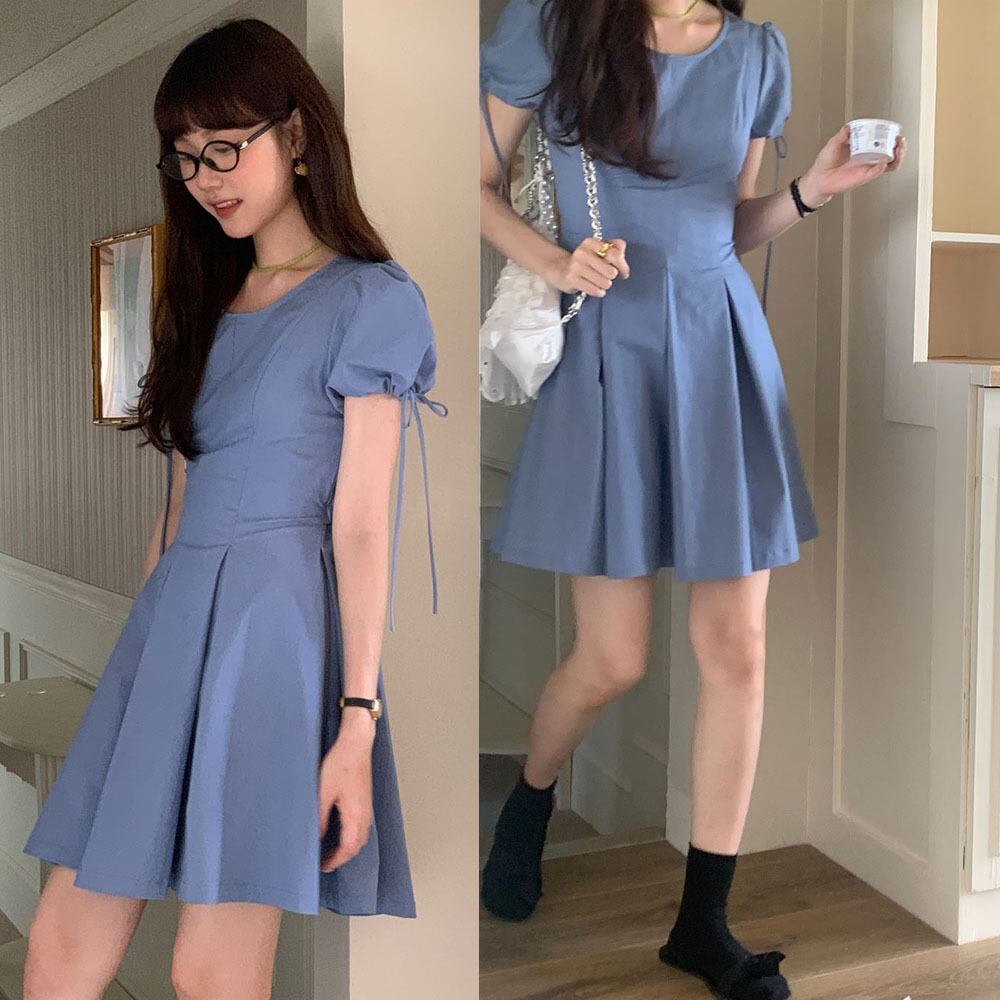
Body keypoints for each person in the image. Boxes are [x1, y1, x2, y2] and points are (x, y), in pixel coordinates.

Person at [478, 1, 905, 998]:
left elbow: (729, 224)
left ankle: (703, 924)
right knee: (612, 658)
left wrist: (811, 190)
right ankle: (530, 801)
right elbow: (474, 183)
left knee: (737, 650)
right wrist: (556, 262)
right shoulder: (553, 25)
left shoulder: (757, 53)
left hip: (719, 346)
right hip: (608, 345)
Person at [21, 17, 447, 999]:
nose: (205, 177)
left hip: (271, 636)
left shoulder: (371, 299)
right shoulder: (205, 302)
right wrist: (142, 658)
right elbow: (175, 514)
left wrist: (356, 720)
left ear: (295, 135)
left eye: (225, 146)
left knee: (211, 971)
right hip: (169, 628)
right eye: (185, 157)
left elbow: (361, 523)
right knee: (61, 942)